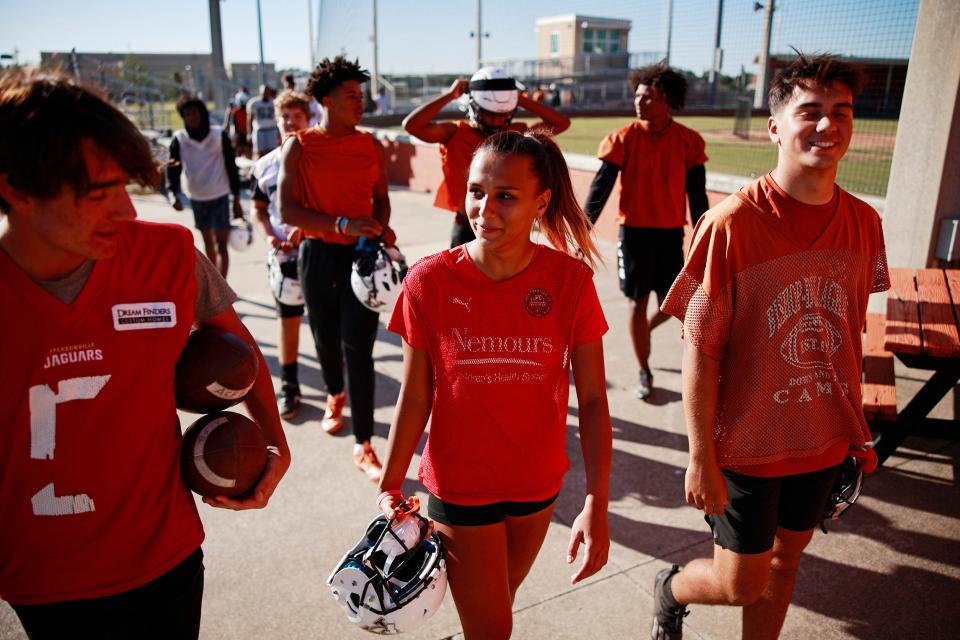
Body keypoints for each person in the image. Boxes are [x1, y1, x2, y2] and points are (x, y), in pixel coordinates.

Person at [0, 68, 290, 639]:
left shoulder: (168, 254)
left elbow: (239, 346)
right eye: (97, 195)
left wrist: (274, 443)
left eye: (125, 189)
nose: (127, 213)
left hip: (168, 554)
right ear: (17, 190)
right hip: (42, 575)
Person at [654, 53, 888, 640]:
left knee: (785, 566)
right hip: (746, 444)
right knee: (740, 584)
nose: (828, 127)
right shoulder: (731, 224)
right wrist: (700, 454)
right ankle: (671, 587)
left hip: (820, 437)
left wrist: (855, 428)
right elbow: (700, 349)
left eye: (842, 112)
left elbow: (845, 340)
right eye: (810, 112)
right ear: (775, 127)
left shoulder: (864, 222)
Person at [377, 130, 612, 639]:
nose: (485, 208)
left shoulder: (570, 282)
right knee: (492, 630)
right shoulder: (428, 281)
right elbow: (415, 393)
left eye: (506, 195)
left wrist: (597, 501)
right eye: (476, 191)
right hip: (460, 488)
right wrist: (390, 482)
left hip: (538, 488)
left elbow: (593, 400)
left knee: (494, 607)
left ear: (540, 202)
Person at [278, 56, 395, 482]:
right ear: (325, 101)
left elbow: (380, 198)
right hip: (317, 255)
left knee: (358, 348)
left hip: (361, 257)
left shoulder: (372, 146)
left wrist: (382, 226)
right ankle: (334, 392)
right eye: (350, 96)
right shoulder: (300, 145)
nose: (359, 103)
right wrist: (339, 224)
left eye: (361, 96)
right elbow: (286, 209)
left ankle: (364, 443)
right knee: (325, 340)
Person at [584, 63, 709, 401]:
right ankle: (644, 369)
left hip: (670, 236)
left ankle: (647, 330)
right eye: (637, 96)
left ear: (667, 100)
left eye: (648, 97)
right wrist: (583, 228)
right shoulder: (623, 138)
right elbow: (601, 188)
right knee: (635, 305)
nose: (639, 102)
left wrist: (707, 240)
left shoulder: (688, 142)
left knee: (676, 304)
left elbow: (697, 198)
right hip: (634, 235)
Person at [402, 66, 571, 248]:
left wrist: (518, 98)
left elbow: (561, 123)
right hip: (467, 223)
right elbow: (412, 126)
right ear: (475, 107)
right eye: (491, 115)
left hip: (506, 224)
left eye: (504, 114)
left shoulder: (517, 132)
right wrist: (450, 95)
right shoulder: (456, 132)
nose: (498, 121)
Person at [251, 90, 311, 420]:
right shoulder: (265, 166)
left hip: (316, 250)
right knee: (287, 320)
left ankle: (335, 385)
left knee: (323, 320)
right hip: (284, 255)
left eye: (297, 117)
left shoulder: (315, 158)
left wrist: (305, 228)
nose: (290, 123)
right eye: (284, 117)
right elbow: (259, 209)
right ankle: (290, 383)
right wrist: (271, 238)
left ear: (308, 119)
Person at [168, 95, 245, 279]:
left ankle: (222, 285)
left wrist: (236, 199)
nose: (192, 117)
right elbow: (173, 170)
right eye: (187, 114)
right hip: (197, 197)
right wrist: (173, 194)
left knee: (221, 243)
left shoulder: (218, 136)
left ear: (202, 113)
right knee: (207, 243)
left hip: (219, 194)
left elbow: (231, 168)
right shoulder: (180, 139)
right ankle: (214, 283)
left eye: (194, 113)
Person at [247, 84, 281, 158]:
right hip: (260, 130)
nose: (266, 94)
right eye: (264, 92)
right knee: (259, 152)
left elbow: (279, 119)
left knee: (273, 153)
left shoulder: (275, 102)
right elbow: (250, 119)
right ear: (261, 92)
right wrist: (249, 133)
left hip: (272, 130)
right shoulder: (255, 103)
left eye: (267, 92)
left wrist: (279, 133)